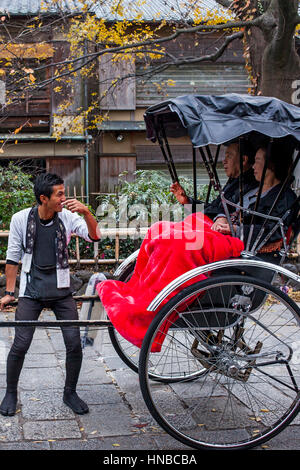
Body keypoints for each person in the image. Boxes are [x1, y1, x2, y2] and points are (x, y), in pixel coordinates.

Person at [96, 139, 298, 352]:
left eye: (258, 161)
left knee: (178, 243)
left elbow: (274, 231)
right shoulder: (249, 186)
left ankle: (153, 304)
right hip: (215, 229)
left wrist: (234, 228)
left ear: (271, 165)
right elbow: (218, 209)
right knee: (160, 229)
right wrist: (212, 213)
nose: (254, 166)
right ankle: (140, 291)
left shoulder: (285, 198)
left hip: (240, 244)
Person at [0, 173, 101, 417]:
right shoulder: (21, 219)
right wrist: (10, 292)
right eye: (60, 194)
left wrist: (87, 213)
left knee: (74, 343)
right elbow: (13, 257)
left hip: (60, 289)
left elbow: (94, 236)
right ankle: (11, 392)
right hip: (31, 290)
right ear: (43, 198)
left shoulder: (67, 216)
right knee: (20, 344)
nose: (64, 198)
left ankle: (70, 392)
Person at [170, 140, 258, 221]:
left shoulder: (249, 186)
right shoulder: (234, 182)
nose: (224, 161)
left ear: (243, 160)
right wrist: (187, 202)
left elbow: (217, 212)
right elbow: (213, 208)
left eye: (229, 156)